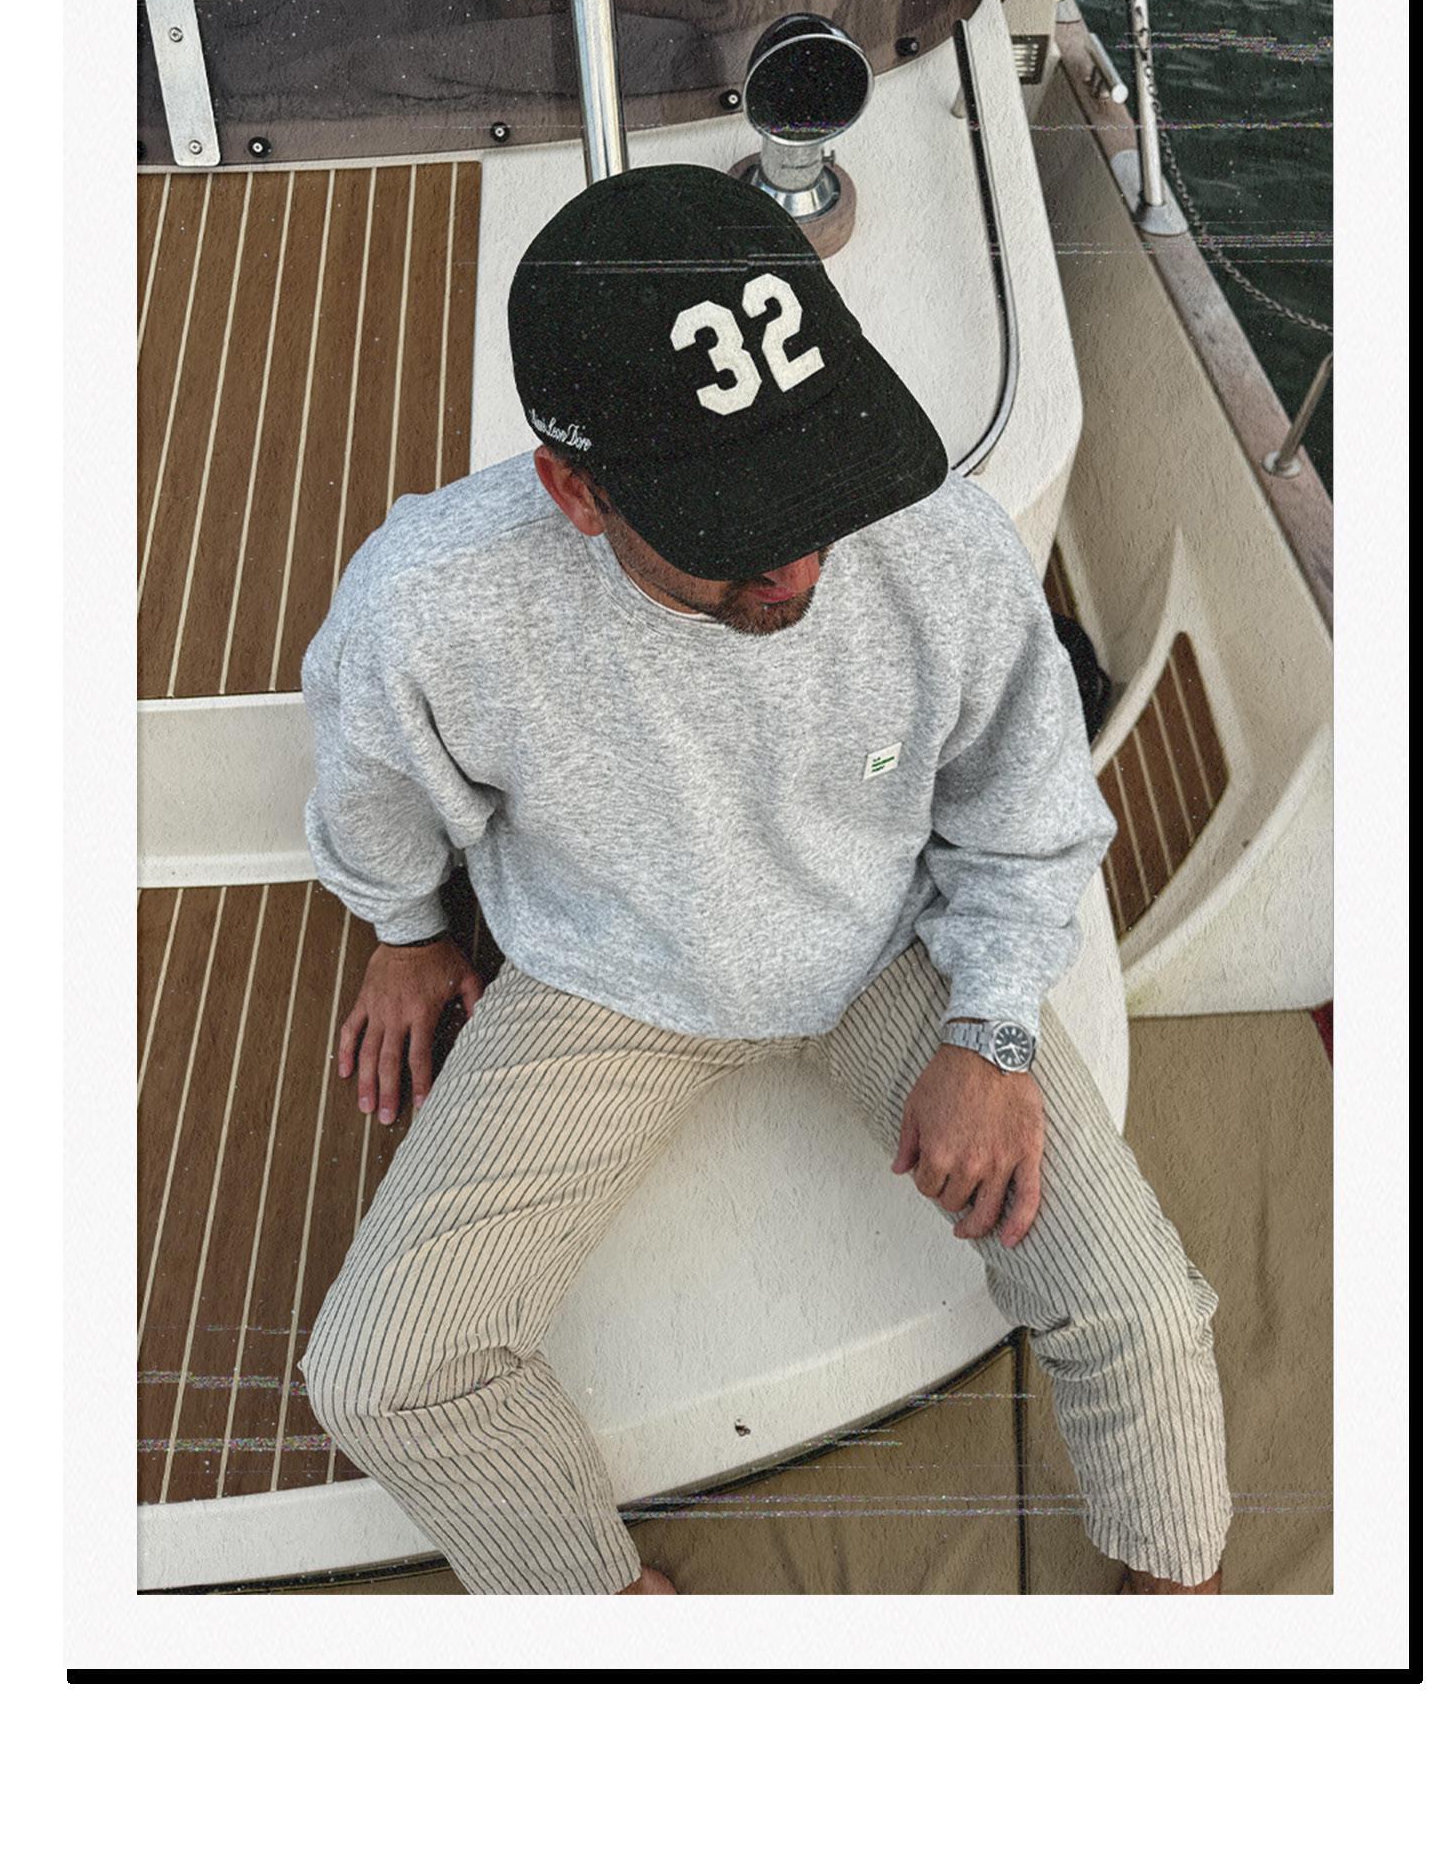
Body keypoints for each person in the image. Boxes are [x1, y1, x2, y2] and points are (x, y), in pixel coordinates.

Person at [297, 162, 1230, 1596]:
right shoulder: (428, 601)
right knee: (379, 1373)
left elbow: (1028, 814)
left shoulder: (937, 540)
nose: (797, 560)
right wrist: (407, 931)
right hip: (605, 977)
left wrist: (991, 1029)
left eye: (818, 485)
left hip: (892, 952)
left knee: (1143, 1313)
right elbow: (374, 783)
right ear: (576, 490)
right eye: (735, 524)